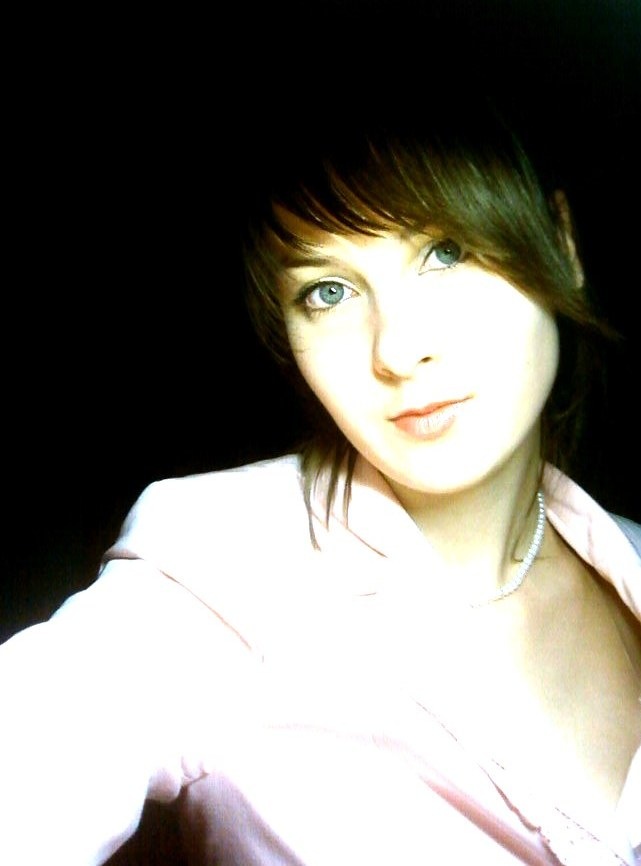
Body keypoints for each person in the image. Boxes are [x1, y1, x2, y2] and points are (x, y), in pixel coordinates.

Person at [1, 95, 639, 866]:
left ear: (561, 245)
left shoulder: (628, 558)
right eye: (327, 292)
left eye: (446, 253)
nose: (396, 351)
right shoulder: (219, 566)